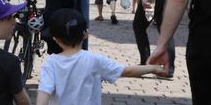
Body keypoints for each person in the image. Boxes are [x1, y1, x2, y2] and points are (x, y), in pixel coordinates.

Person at [36, 9, 165, 105]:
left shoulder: (51, 63)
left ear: (55, 39)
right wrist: (153, 68)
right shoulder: (94, 60)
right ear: (86, 34)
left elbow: (43, 95)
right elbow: (127, 71)